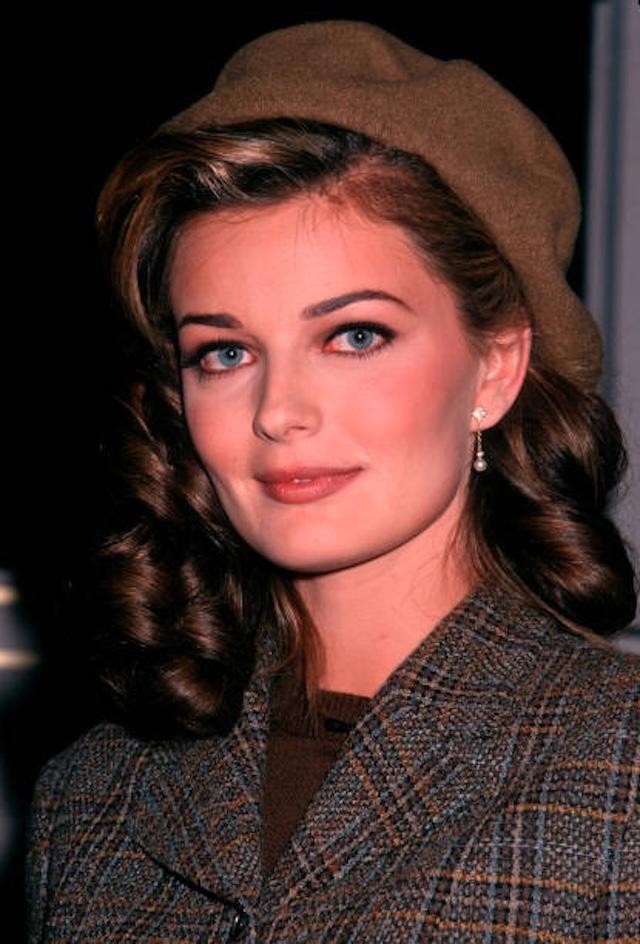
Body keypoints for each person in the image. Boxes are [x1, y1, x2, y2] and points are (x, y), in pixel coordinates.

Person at [27, 21, 638, 942]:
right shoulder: (90, 798)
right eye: (225, 353)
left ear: (496, 366)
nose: (279, 412)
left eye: (354, 336)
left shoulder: (621, 768)